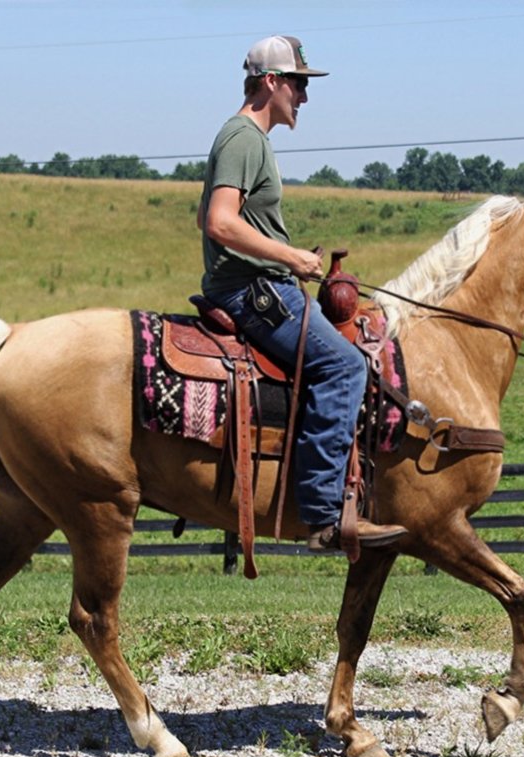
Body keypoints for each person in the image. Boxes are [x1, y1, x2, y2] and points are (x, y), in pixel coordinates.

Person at [197, 35, 407, 553]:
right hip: (253, 292)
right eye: (298, 84)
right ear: (271, 82)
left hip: (259, 283)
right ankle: (322, 513)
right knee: (345, 367)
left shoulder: (251, 140)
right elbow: (219, 222)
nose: (304, 98)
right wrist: (290, 258)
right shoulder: (244, 138)